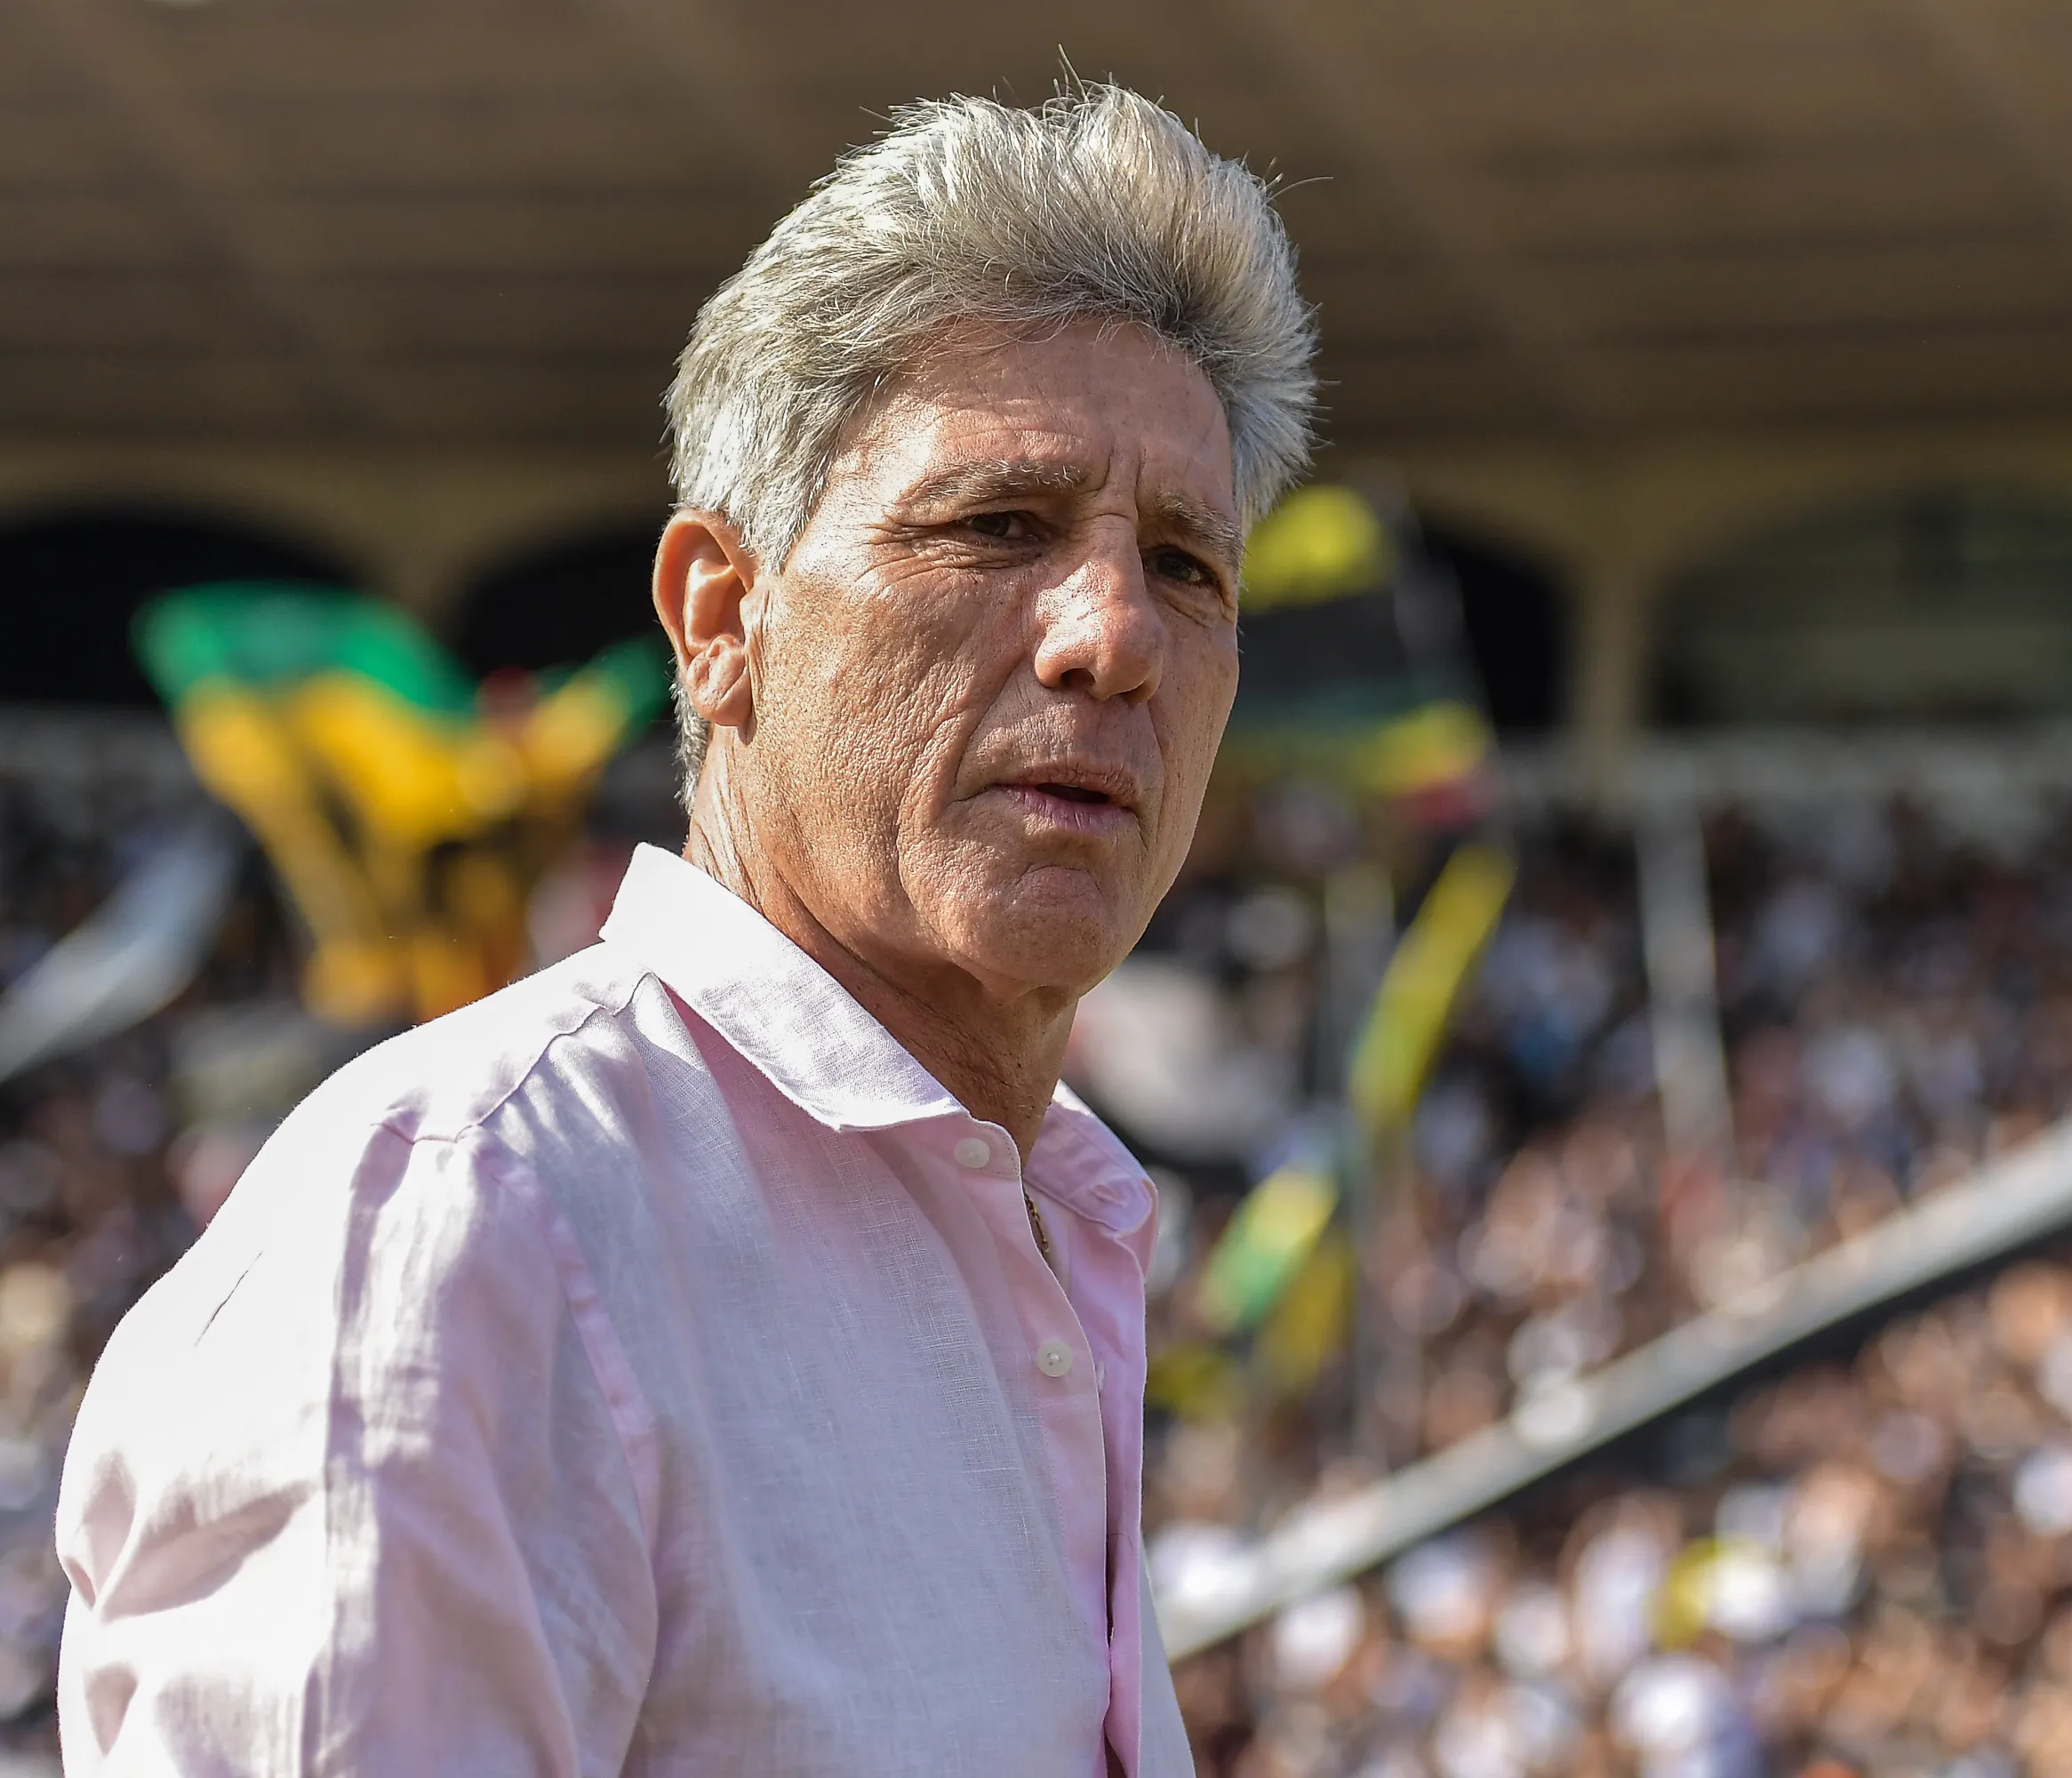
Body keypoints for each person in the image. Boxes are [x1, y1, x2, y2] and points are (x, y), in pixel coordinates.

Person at [55, 84, 1314, 1776]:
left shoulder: (1061, 1228)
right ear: (722, 619)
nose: (1116, 634)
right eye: (996, 525)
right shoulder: (465, 1225)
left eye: (1186, 566)